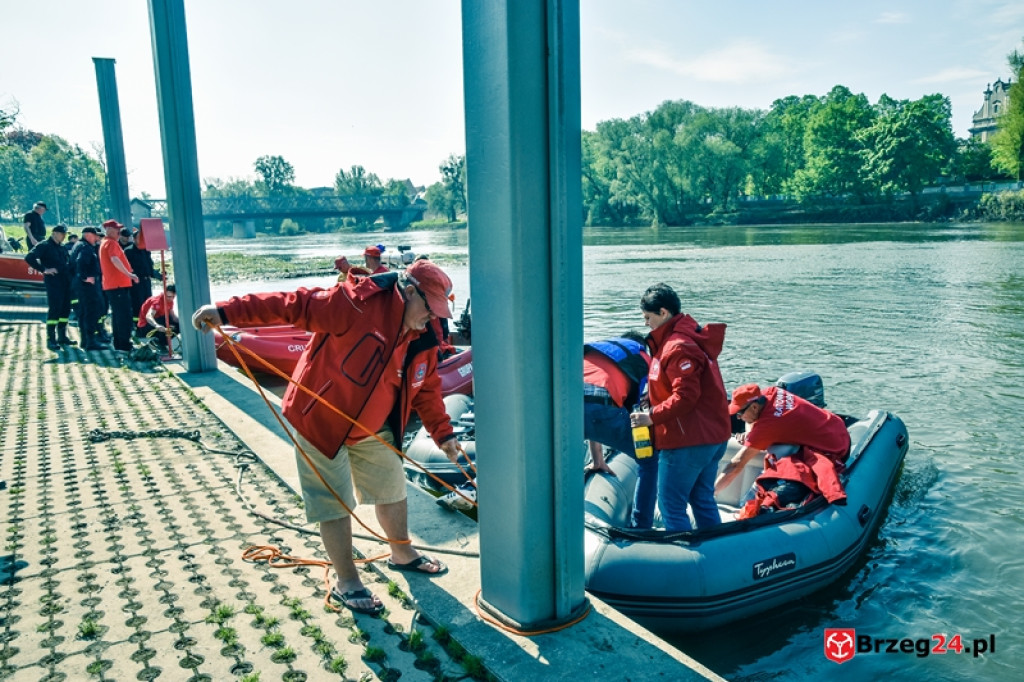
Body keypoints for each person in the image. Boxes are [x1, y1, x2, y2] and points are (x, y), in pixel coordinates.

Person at [191, 259, 459, 615]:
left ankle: (402, 553)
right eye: (430, 308)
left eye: (440, 311)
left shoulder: (426, 333)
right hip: (322, 419)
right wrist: (224, 311)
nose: (434, 317)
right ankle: (347, 581)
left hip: (375, 426)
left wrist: (443, 434)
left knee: (392, 489)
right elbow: (292, 304)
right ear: (409, 292)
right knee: (332, 501)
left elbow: (426, 387)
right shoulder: (353, 302)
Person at [629, 283, 731, 532]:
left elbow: (686, 396)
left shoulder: (677, 346)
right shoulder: (683, 341)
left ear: (663, 313)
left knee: (671, 505)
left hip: (689, 441)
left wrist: (651, 417)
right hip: (711, 437)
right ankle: (714, 554)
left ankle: (686, 562)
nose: (646, 324)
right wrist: (651, 398)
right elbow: (679, 386)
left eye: (648, 318)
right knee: (702, 500)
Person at [716, 383, 851, 515]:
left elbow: (736, 464)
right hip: (835, 425)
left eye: (740, 413)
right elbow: (755, 422)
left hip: (835, 447)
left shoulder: (769, 425)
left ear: (755, 407)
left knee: (783, 459)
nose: (739, 418)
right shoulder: (771, 392)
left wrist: (710, 494)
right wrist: (751, 435)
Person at [581, 332, 657, 528]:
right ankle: (641, 526)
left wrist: (598, 460)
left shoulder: (596, 349)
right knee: (649, 462)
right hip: (605, 408)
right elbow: (633, 406)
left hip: (567, 407)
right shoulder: (641, 356)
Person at [24, 223, 75, 350]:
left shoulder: (62, 247)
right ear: (54, 233)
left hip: (65, 281)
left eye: (65, 234)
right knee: (55, 308)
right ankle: (51, 338)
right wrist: (43, 269)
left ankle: (62, 336)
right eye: (62, 234)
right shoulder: (44, 245)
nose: (64, 236)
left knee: (65, 309)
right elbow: (29, 257)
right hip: (53, 282)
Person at [99, 219, 139, 353]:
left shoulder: (104, 242)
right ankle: (124, 344)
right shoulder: (111, 243)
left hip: (113, 285)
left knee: (117, 316)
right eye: (117, 229)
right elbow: (114, 259)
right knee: (123, 316)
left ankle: (119, 344)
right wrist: (129, 274)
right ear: (109, 230)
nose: (119, 232)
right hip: (118, 285)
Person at [71, 227, 108, 350]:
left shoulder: (78, 245)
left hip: (81, 287)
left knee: (84, 314)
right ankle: (91, 342)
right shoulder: (86, 248)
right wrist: (85, 277)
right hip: (88, 287)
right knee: (91, 313)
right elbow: (80, 262)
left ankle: (85, 341)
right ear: (88, 235)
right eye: (94, 235)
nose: (97, 238)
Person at [123, 227, 156, 328]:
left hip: (146, 281)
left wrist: (157, 274)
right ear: (134, 239)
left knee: (148, 302)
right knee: (137, 303)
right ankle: (138, 325)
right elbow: (127, 267)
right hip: (136, 282)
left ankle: (147, 323)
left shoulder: (146, 250)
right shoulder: (128, 251)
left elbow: (149, 265)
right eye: (140, 238)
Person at [137, 284, 179, 349]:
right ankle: (158, 343)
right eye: (169, 296)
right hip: (145, 326)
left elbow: (173, 317)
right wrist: (156, 325)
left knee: (178, 325)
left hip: (158, 320)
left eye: (173, 297)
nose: (171, 299)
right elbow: (148, 316)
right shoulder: (157, 301)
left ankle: (162, 343)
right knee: (164, 325)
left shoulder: (170, 301)